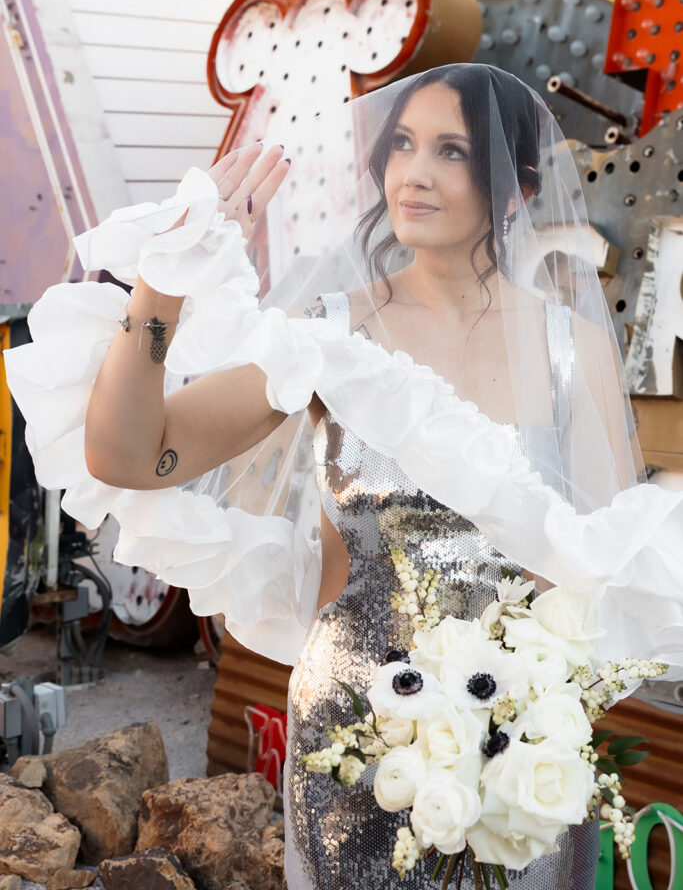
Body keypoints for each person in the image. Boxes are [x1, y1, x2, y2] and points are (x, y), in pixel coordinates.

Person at [5, 64, 683, 889]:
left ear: (517, 190)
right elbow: (127, 456)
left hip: (518, 753)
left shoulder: (571, 349)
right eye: (401, 145)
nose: (413, 172)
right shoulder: (325, 336)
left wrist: (528, 724)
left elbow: (597, 580)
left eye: (450, 151)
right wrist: (162, 282)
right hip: (352, 746)